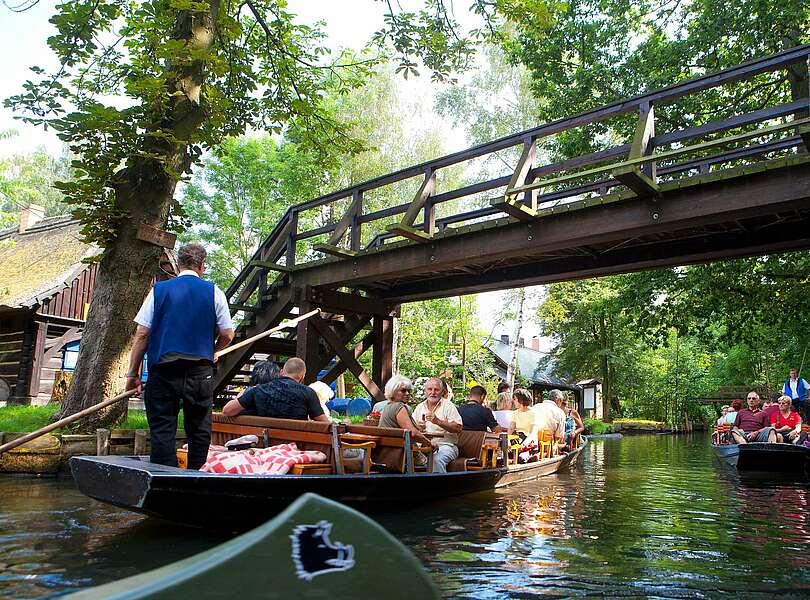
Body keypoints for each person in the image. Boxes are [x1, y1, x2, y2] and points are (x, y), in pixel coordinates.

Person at [125, 243, 235, 470]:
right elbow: (227, 334)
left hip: (164, 371)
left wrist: (132, 374)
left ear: (178, 264)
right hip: (199, 372)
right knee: (199, 428)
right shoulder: (214, 292)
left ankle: (165, 481)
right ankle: (196, 478)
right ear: (202, 266)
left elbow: (142, 334)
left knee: (163, 429)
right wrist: (213, 351)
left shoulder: (158, 291)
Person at [222, 358, 329, 422]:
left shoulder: (258, 390)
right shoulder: (308, 392)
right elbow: (324, 423)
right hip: (295, 446)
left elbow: (227, 410)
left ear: (282, 372)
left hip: (263, 444)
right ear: (302, 377)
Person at [413, 377, 463, 473]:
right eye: (430, 389)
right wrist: (419, 427)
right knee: (407, 457)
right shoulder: (420, 407)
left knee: (436, 460)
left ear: (442, 392)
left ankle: (439, 486)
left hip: (445, 446)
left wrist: (438, 421)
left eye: (436, 389)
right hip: (423, 446)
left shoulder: (448, 406)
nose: (433, 392)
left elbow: (458, 428)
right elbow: (411, 427)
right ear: (425, 391)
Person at [378, 376, 433, 462]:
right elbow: (412, 433)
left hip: (388, 452)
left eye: (409, 391)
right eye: (403, 391)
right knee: (436, 457)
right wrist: (430, 444)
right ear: (392, 391)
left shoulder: (388, 406)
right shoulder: (399, 407)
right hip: (402, 456)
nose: (407, 393)